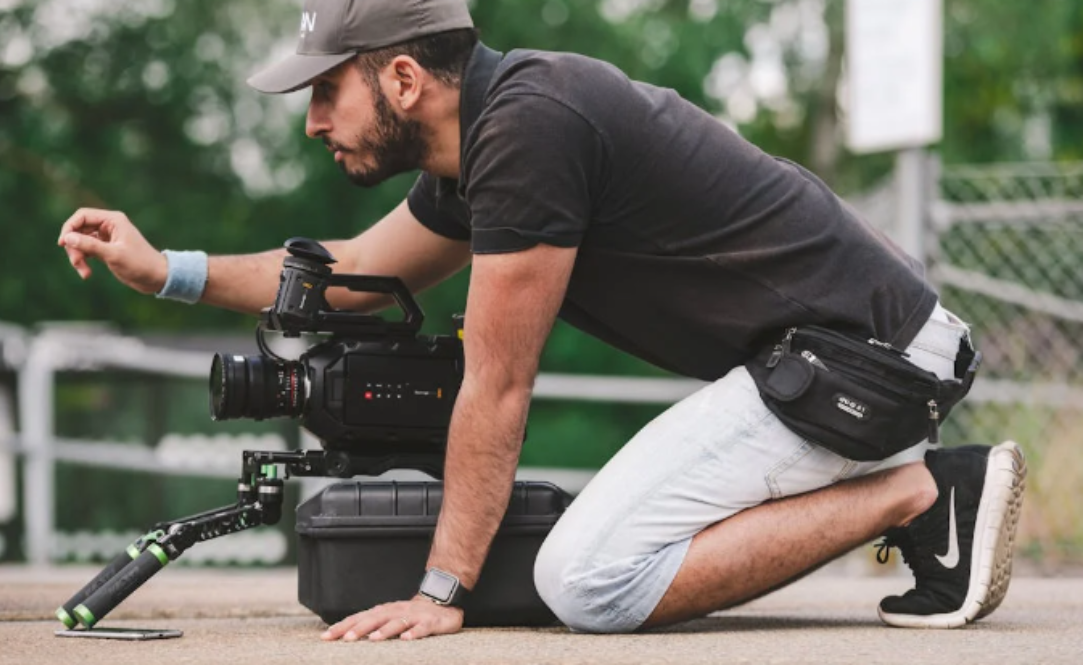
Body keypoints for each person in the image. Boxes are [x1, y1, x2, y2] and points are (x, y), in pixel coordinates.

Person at [58, 0, 1027, 640]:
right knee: (594, 566)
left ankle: (923, 493)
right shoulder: (487, 144)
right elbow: (347, 275)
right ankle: (916, 491)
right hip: (832, 363)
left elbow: (499, 377)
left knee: (590, 581)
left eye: (324, 90)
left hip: (865, 367)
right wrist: (164, 271)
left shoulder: (528, 129)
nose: (313, 121)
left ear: (400, 80)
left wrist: (441, 591)